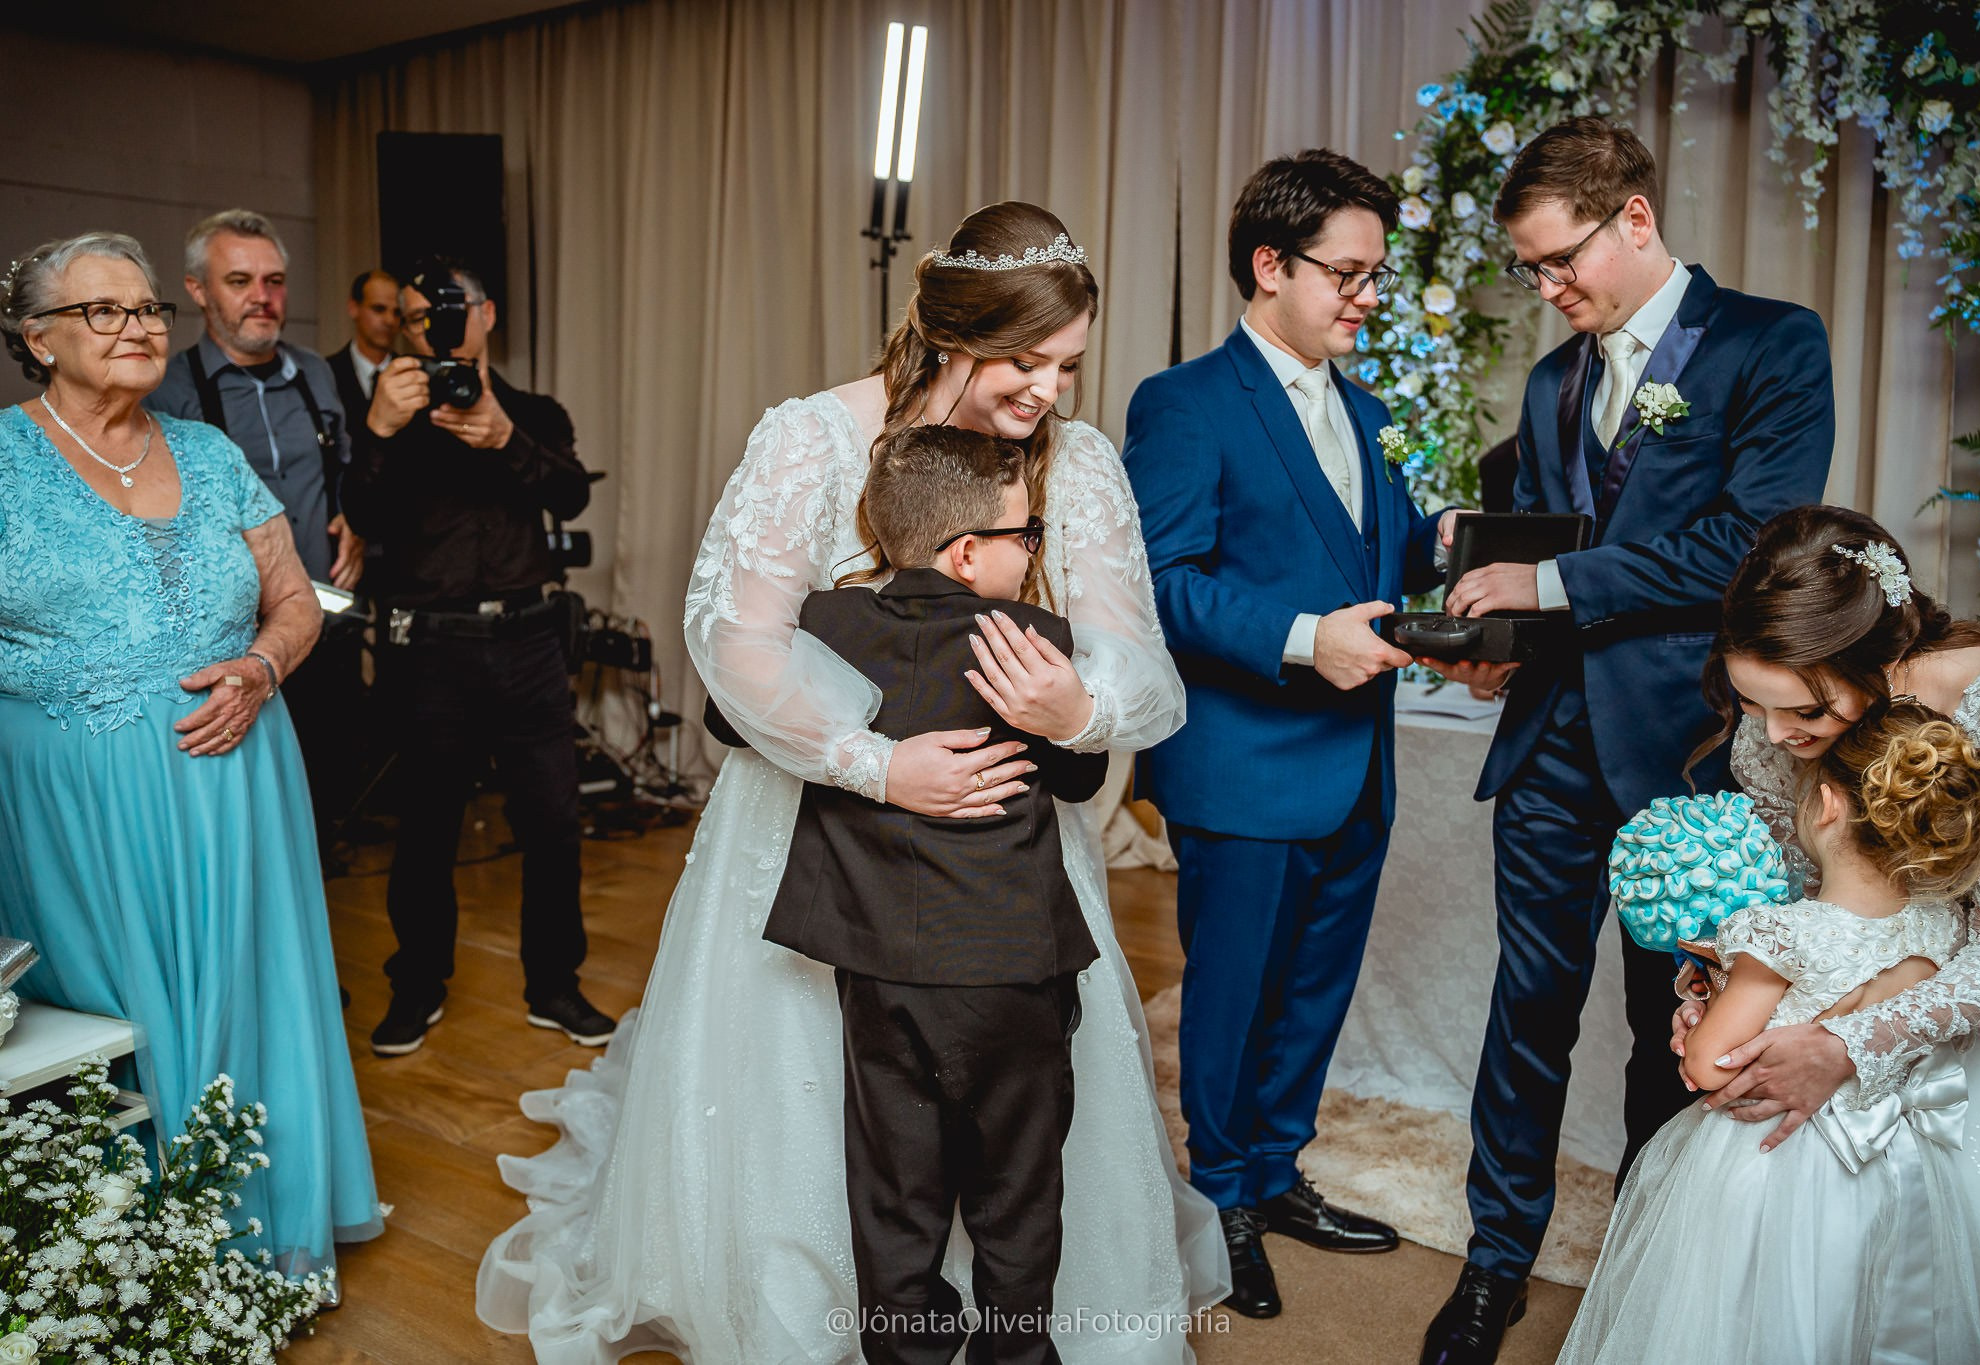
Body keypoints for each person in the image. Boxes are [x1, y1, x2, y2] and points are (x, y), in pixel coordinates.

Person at [475, 202, 1229, 1364]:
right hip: (812, 836)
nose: (1048, 392)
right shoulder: (815, 436)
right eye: (1023, 361)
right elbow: (733, 643)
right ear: (945, 332)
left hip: (999, 864)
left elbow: (1145, 671)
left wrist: (1074, 709)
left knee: (1019, 1129)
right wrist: (877, 766)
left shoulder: (1075, 464)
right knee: (840, 1119)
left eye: (1067, 365)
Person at [1419, 116, 1835, 1365]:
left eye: (1558, 263)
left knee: (1676, 1016)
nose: (1547, 292)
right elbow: (1551, 543)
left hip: (1692, 750)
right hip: (1551, 746)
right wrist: (1498, 616)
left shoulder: (1770, 343)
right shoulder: (1555, 383)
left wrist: (1545, 594)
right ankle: (1494, 1266)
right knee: (1524, 1013)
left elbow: (1753, 546)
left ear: (1634, 219)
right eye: (1530, 270)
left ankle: (1650, 1272)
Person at [0, 231, 380, 1277]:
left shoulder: (211, 454)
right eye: (103, 311)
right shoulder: (0, 462)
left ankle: (255, 1245)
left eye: (148, 310)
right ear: (37, 338)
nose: (138, 328)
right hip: (72, 800)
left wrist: (259, 670)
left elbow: (297, 600)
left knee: (253, 991)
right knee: (111, 1017)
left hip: (241, 778)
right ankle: (136, 1265)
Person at [1123, 149, 1454, 1318]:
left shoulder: (1366, 410)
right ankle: (1219, 1197)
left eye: (1372, 276)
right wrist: (1308, 636)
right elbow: (1159, 583)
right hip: (1243, 760)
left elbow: (1388, 554)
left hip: (1355, 762)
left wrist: (1454, 554)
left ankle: (1275, 1173)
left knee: (1313, 992)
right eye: (1347, 276)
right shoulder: (1183, 403)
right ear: (1269, 265)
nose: (1366, 299)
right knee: (1231, 995)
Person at [762, 425, 1107, 1365]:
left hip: (877, 968)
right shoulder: (1035, 641)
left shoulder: (827, 625)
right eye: (1022, 536)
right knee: (1017, 1186)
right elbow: (1080, 781)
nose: (1030, 551)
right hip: (1010, 971)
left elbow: (734, 707)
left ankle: (906, 1351)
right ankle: (1015, 1353)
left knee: (893, 1187)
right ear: (967, 553)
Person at [1674, 504, 1980, 1342]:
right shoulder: (1775, 735)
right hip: (1841, 989)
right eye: (1750, 703)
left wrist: (1848, 1047)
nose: (1775, 736)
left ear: (1871, 654)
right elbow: (1790, 906)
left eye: (1805, 711)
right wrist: (1713, 989)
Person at [1562, 701, 1980, 1363]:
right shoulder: (1941, 926)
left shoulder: (1779, 934)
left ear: (1826, 805)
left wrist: (1711, 998)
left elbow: (1713, 1065)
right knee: (1848, 1311)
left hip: (1769, 1163)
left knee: (1740, 1312)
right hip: (1885, 1164)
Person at [339, 258, 612, 1057]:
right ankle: (416, 987)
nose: (433, 326)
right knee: (426, 830)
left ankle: (554, 985)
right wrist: (380, 431)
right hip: (432, 649)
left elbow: (570, 495)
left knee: (555, 823)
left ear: (486, 314)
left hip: (529, 640)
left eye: (448, 310)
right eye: (417, 316)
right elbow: (358, 509)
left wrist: (506, 438)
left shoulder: (531, 410)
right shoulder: (392, 410)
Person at [149, 208, 366, 863]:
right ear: (197, 290)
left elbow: (345, 466)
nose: (262, 297)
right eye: (240, 280)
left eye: (273, 280)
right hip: (232, 644)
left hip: (323, 627)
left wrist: (352, 516)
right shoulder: (168, 387)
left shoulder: (316, 373)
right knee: (246, 826)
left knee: (326, 810)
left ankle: (306, 959)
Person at [329, 268, 399, 447]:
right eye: (379, 309)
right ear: (354, 308)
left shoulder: (412, 374)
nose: (390, 320)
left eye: (397, 312)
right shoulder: (325, 373)